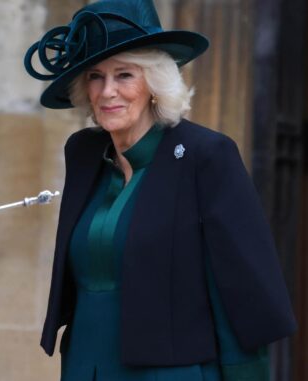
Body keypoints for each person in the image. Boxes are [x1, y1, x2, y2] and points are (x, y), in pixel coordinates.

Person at [23, 0, 296, 380]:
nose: (107, 92)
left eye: (124, 75)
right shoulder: (84, 153)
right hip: (87, 368)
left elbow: (238, 293)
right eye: (96, 76)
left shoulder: (207, 156)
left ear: (153, 81)